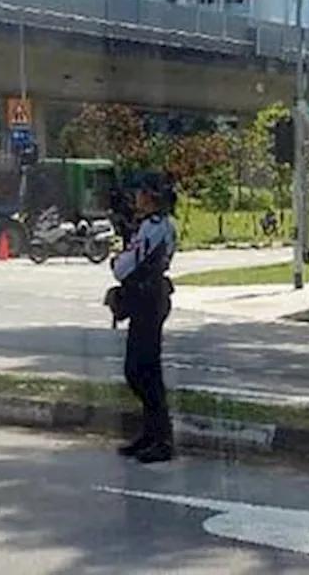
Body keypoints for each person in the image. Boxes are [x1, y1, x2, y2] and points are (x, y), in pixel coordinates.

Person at [110, 175, 178, 464]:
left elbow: (124, 267)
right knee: (144, 369)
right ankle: (151, 434)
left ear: (150, 197)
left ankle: (162, 438)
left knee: (141, 370)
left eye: (140, 193)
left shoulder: (153, 228)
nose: (136, 197)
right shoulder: (160, 226)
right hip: (151, 299)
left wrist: (117, 260)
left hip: (147, 300)